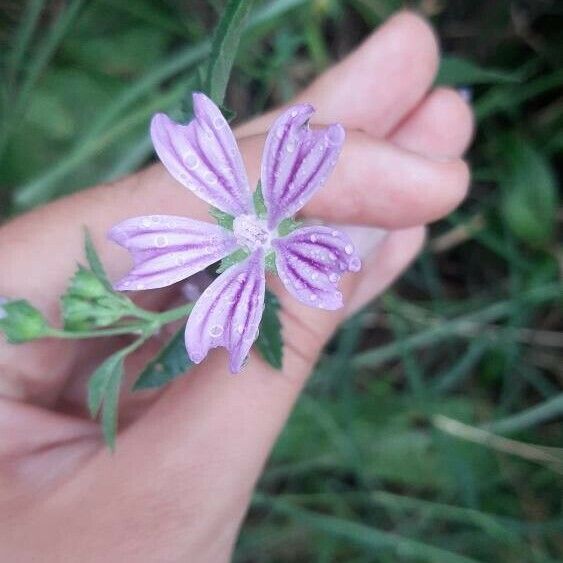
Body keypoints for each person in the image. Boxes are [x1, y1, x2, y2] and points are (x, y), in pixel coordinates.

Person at [0, 11, 473, 562]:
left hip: (261, 231)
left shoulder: (269, 217)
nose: (255, 230)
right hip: (237, 251)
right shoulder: (231, 251)